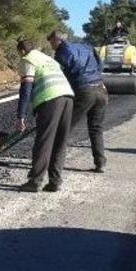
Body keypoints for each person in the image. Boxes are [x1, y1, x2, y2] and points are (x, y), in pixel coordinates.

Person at [13, 39, 75, 192]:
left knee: (44, 141)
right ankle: (55, 181)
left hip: (51, 99)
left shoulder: (27, 60)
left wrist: (20, 116)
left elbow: (26, 89)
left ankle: (35, 181)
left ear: (21, 51)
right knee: (60, 141)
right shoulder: (48, 58)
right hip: (68, 97)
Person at [48, 30, 109, 172]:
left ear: (58, 41)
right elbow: (100, 65)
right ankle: (100, 163)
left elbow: (61, 76)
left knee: (64, 128)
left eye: (51, 42)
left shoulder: (61, 53)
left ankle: (55, 166)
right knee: (96, 128)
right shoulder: (86, 46)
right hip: (101, 89)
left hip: (84, 91)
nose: (51, 45)